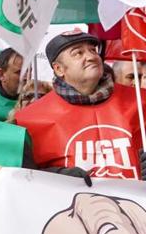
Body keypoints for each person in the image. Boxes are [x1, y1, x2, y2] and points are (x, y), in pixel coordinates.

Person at [16, 30, 146, 180]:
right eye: (78, 53)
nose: (91, 57)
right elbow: (23, 178)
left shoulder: (140, 101)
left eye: (92, 50)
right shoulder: (30, 119)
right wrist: (55, 175)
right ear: (59, 69)